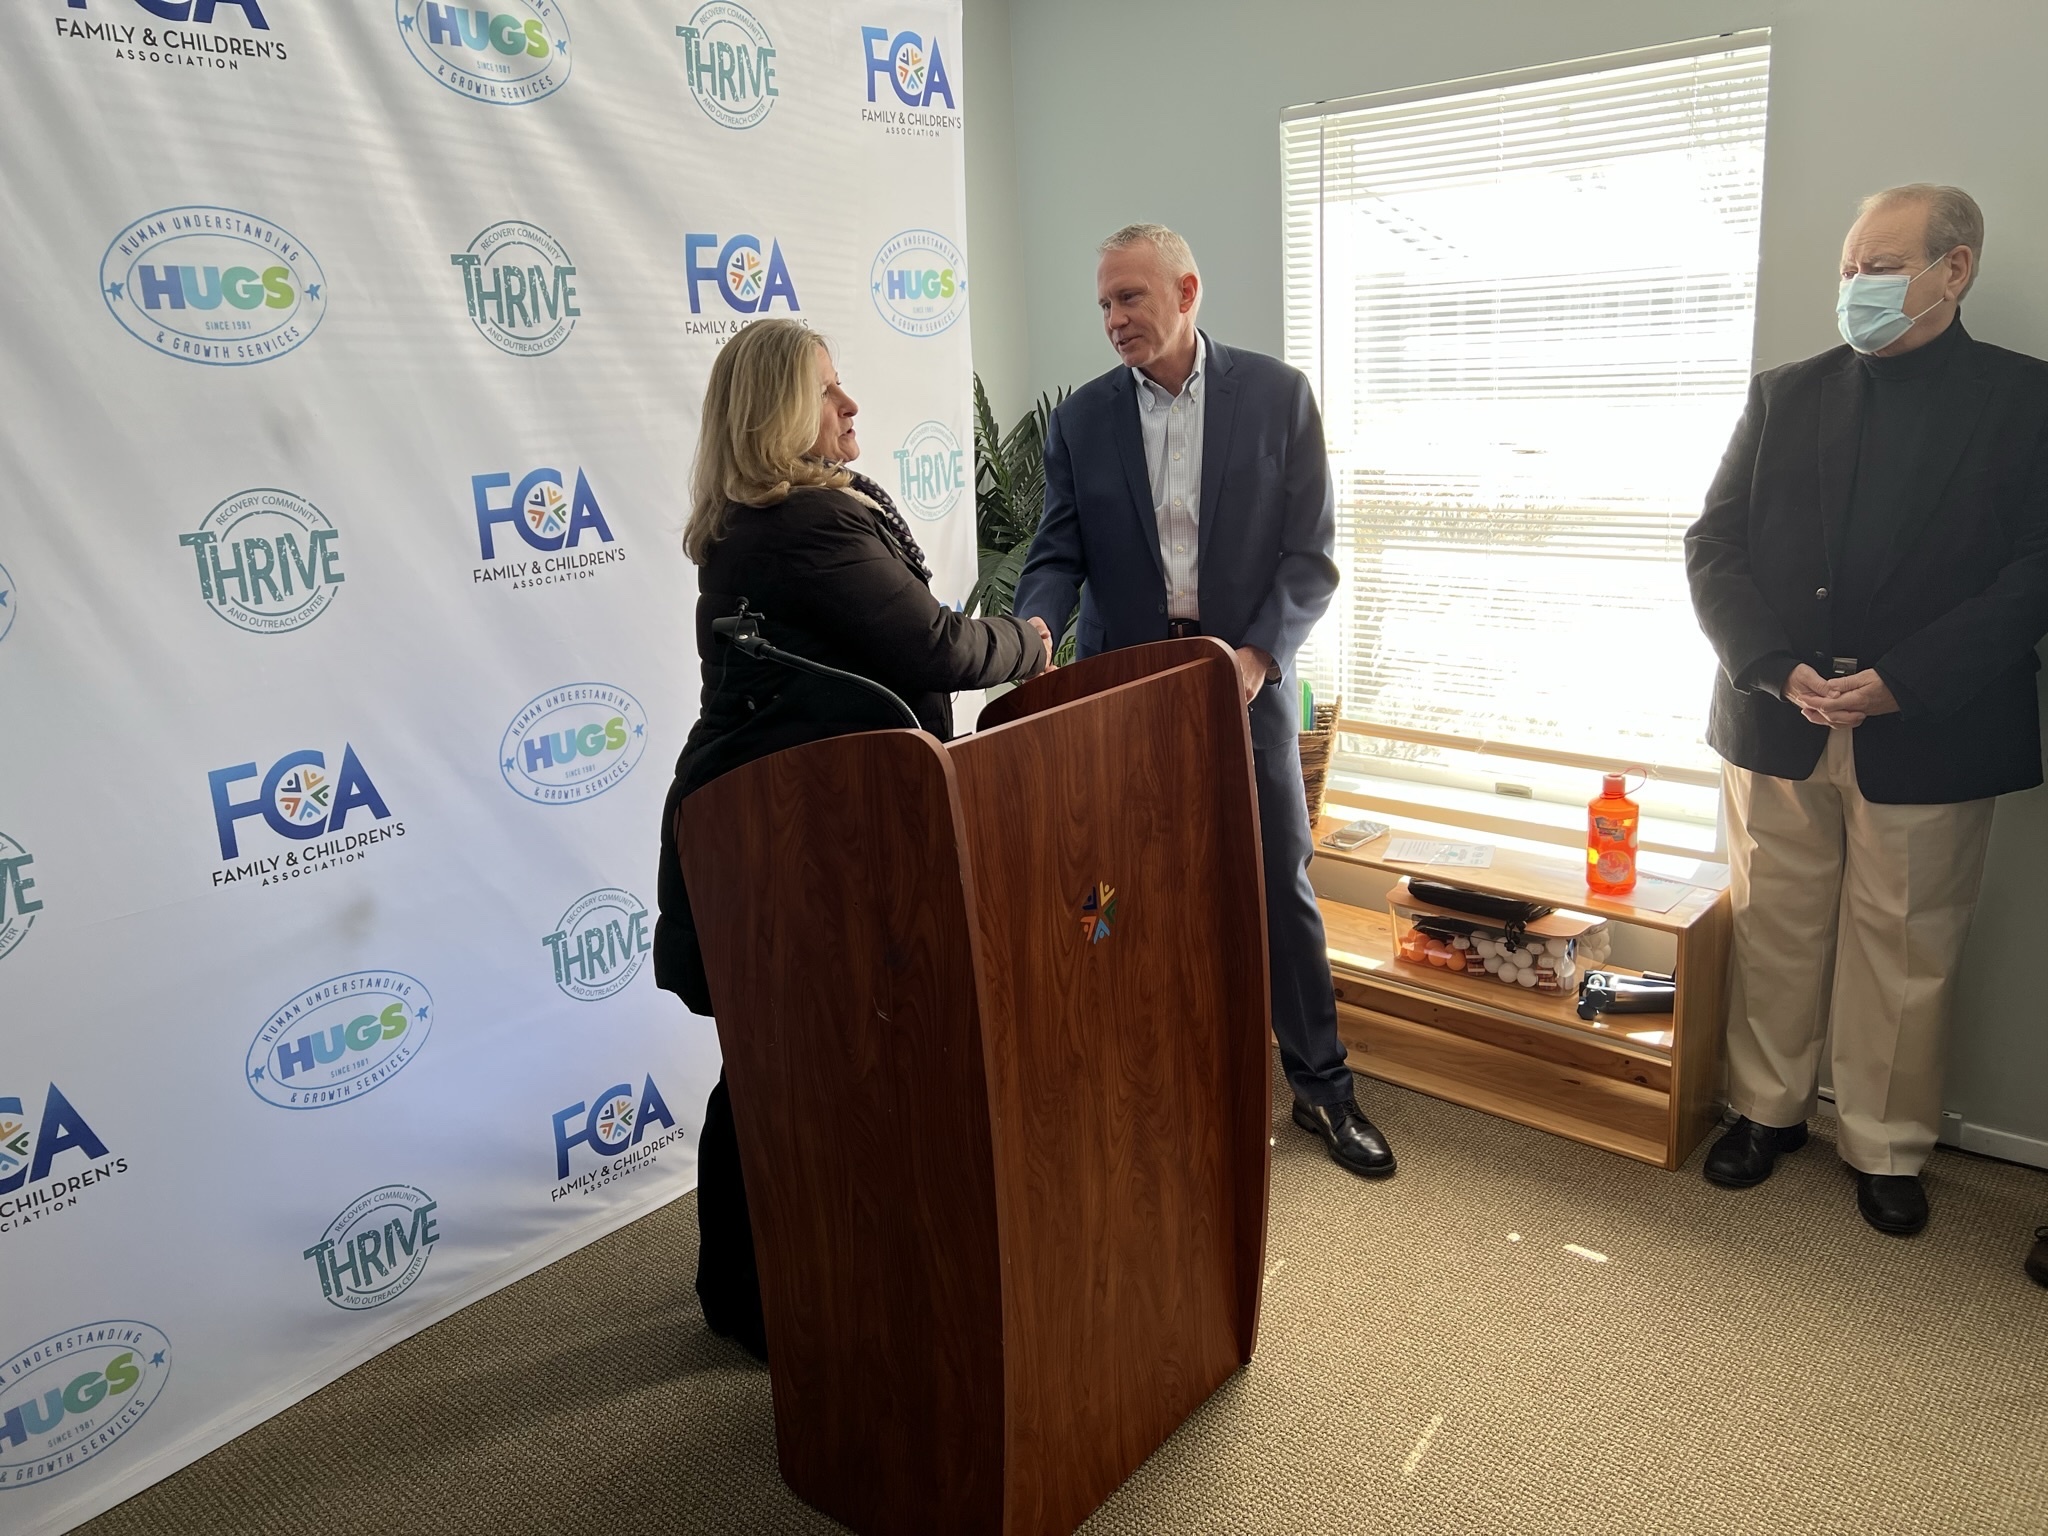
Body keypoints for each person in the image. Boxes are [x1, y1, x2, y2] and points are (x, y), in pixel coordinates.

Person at [653, 319, 1052, 1357]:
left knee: (783, 1065)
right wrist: (1030, 642)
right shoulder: (802, 529)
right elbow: (932, 642)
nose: (851, 406)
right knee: (777, 1070)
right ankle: (747, 1300)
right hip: (788, 843)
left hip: (807, 833)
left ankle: (767, 1283)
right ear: (778, 413)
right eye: (828, 391)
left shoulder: (772, 520)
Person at [1684, 185, 2048, 1237]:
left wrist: (1905, 678)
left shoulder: (2023, 401)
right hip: (1777, 711)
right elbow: (1711, 545)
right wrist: (1765, 664)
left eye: (1879, 267)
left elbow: (2034, 572)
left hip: (1930, 721)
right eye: (1848, 268)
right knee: (1775, 926)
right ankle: (1762, 1112)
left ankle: (1885, 1146)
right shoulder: (1783, 394)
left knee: (1903, 947)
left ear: (1953, 270)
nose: (1856, 286)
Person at [1013, 223, 1395, 1179]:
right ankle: (1136, 1075)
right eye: (1103, 303)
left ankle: (1322, 1089)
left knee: (1278, 886)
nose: (1113, 320)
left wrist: (1260, 654)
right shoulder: (1084, 420)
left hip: (1246, 686)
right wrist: (1035, 630)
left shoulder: (1277, 397)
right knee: (1115, 888)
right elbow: (1058, 551)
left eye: (1130, 298)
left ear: (1186, 291)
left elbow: (1311, 556)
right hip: (1123, 689)